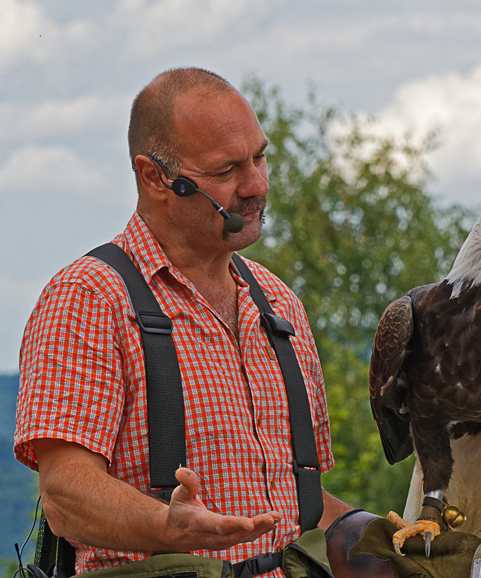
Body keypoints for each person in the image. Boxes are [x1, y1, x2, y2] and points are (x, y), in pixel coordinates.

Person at [13, 67, 391, 578]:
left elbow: (293, 499)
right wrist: (166, 528)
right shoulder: (89, 297)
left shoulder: (280, 307)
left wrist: (391, 541)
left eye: (260, 157)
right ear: (155, 177)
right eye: (226, 169)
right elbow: (65, 496)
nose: (256, 184)